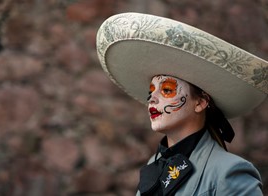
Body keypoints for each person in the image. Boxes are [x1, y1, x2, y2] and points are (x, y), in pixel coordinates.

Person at [96, 12, 267, 195]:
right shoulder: (154, 166)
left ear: (200, 102)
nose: (152, 98)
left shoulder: (229, 172)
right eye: (151, 92)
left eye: (167, 90)